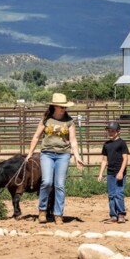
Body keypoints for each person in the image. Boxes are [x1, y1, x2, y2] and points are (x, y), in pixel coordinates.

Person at [25, 93, 84, 224]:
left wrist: (77, 156)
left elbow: (73, 141)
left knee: (60, 185)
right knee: (46, 182)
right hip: (47, 154)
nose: (63, 109)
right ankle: (42, 211)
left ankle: (58, 214)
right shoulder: (46, 120)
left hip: (63, 155)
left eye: (64, 107)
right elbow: (36, 137)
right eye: (60, 106)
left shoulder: (69, 122)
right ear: (54, 106)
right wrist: (30, 153)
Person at [97, 122, 129, 224]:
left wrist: (121, 172)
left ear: (118, 132)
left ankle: (121, 214)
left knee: (118, 193)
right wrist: (101, 173)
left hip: (119, 172)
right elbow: (104, 160)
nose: (110, 133)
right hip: (110, 172)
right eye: (109, 131)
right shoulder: (106, 144)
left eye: (112, 131)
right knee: (111, 194)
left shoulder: (122, 143)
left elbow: (125, 159)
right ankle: (113, 215)